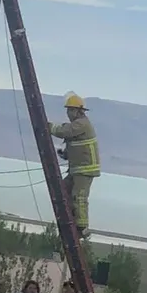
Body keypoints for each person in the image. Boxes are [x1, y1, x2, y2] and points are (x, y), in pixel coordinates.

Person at [48, 92, 100, 238]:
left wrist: (49, 127)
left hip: (85, 170)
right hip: (77, 169)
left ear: (79, 111)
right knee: (64, 190)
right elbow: (77, 145)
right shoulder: (79, 125)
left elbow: (65, 131)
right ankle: (70, 218)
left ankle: (82, 228)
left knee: (79, 196)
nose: (68, 113)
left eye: (71, 110)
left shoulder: (81, 124)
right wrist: (65, 154)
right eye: (68, 110)